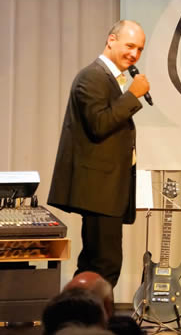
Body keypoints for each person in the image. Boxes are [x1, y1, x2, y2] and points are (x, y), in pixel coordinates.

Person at [48, 20, 149, 287]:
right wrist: (133, 95)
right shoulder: (92, 76)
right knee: (104, 265)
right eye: (130, 45)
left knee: (97, 264)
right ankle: (85, 311)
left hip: (106, 190)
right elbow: (99, 123)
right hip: (98, 190)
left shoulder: (107, 79)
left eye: (140, 49)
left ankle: (80, 310)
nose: (135, 54)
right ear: (111, 40)